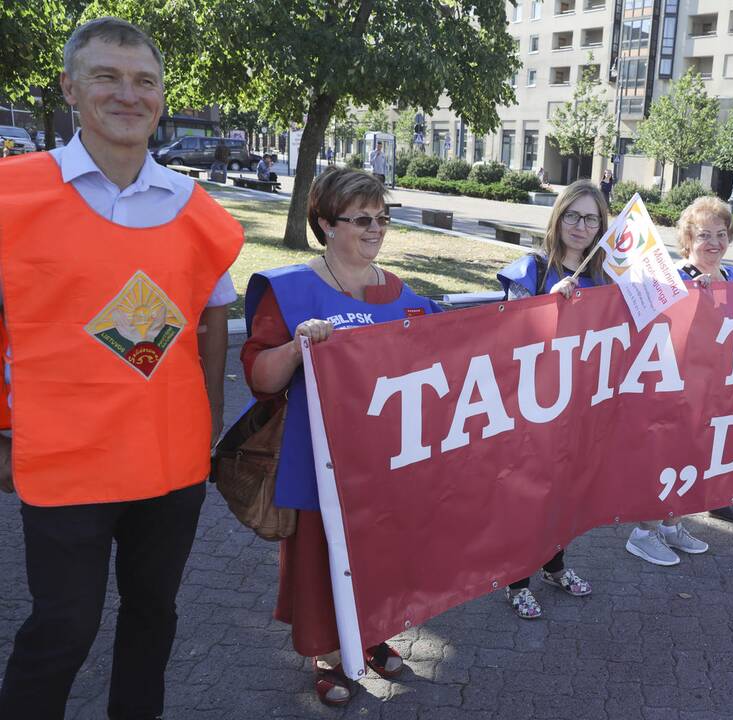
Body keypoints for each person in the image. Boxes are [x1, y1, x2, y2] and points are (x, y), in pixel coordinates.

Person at [0, 18, 243, 720]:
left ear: (163, 96)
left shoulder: (197, 212)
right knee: (62, 628)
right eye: (107, 77)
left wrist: (212, 422)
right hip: (63, 458)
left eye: (145, 81)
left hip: (168, 460)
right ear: (71, 88)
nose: (127, 95)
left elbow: (210, 320)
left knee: (152, 616)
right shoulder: (12, 198)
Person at [242, 167, 434, 706]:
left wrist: (553, 308)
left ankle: (370, 635)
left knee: (380, 553)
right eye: (361, 220)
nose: (375, 230)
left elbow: (462, 345)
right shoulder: (292, 290)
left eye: (382, 218)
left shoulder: (401, 293)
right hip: (318, 463)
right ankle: (326, 656)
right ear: (325, 224)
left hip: (385, 461)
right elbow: (260, 379)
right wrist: (296, 345)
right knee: (319, 561)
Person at [495, 181, 606, 617]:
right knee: (527, 494)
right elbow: (508, 335)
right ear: (558, 218)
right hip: (533, 404)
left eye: (591, 218)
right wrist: (547, 308)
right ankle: (515, 578)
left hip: (580, 404)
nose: (581, 226)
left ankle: (554, 565)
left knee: (566, 491)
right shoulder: (534, 270)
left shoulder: (603, 276)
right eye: (573, 216)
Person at [669, 196, 733, 528]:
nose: (714, 243)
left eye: (721, 234)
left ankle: (723, 499)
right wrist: (690, 296)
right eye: (704, 235)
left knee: (724, 444)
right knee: (682, 450)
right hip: (690, 382)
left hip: (727, 380)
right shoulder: (678, 277)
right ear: (688, 240)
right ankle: (665, 522)